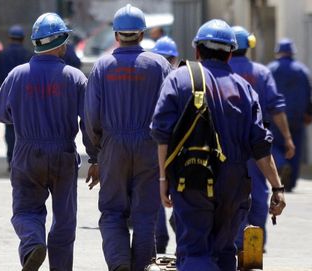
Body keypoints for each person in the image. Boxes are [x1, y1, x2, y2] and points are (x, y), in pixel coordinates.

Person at [151, 19, 286, 271]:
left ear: (197, 51)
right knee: (225, 252)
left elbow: (161, 133)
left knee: (194, 251)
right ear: (230, 54)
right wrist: (277, 187)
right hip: (235, 185)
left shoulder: (179, 79)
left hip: (192, 179)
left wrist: (163, 179)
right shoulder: (245, 89)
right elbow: (260, 145)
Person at [0, 13, 96, 271]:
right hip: (62, 153)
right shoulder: (74, 77)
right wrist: (96, 157)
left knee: (26, 210)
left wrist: (24, 117)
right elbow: (90, 122)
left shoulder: (17, 75)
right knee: (64, 221)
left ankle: (32, 243)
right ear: (60, 43)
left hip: (27, 153)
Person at [85, 4, 171, 271]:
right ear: (142, 35)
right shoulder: (159, 65)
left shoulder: (102, 67)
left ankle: (119, 263)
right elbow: (170, 111)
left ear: (116, 35)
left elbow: (90, 116)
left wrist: (95, 154)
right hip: (150, 146)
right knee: (146, 214)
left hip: (113, 147)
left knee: (112, 211)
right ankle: (141, 267)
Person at [229, 26, 295, 251]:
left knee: (229, 192)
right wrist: (287, 138)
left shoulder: (216, 71)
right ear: (250, 45)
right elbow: (276, 107)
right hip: (256, 143)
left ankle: (236, 241)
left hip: (225, 144)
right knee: (258, 192)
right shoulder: (261, 73)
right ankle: (254, 242)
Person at [267, 38, 312, 192]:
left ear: (278, 51)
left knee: (273, 144)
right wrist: (308, 113)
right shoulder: (302, 70)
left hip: (276, 116)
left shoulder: (270, 69)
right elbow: (310, 93)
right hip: (297, 117)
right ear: (292, 52)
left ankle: (280, 164)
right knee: (294, 146)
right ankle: (291, 182)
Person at [150, 35, 180, 254]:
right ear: (175, 58)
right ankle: (179, 223)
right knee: (180, 188)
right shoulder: (180, 78)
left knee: (156, 191)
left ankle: (160, 239)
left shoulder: (147, 75)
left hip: (152, 142)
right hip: (177, 144)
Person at [0, 24, 33, 170]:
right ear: (23, 39)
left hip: (9, 98)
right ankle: (24, 160)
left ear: (10, 39)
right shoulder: (29, 55)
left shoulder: (2, 55)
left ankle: (11, 160)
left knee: (10, 130)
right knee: (26, 130)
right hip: (27, 99)